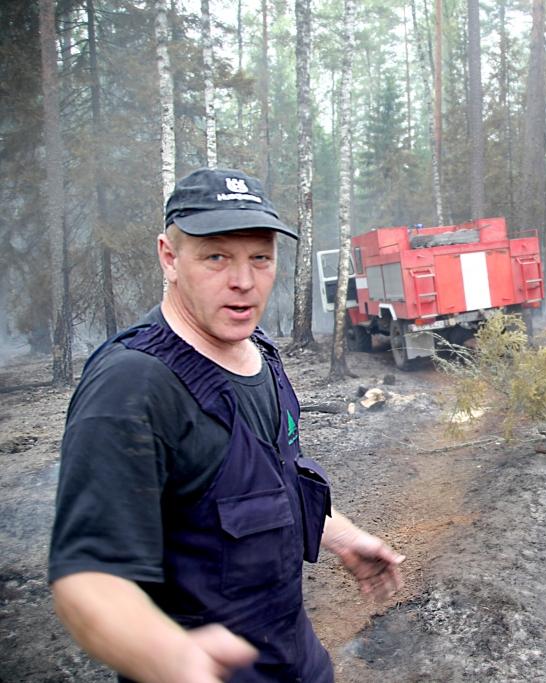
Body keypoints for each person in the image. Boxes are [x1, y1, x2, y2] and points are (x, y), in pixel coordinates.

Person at [48, 168, 405, 683]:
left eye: (260, 258)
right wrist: (169, 656)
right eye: (216, 257)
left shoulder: (259, 353)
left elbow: (270, 480)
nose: (243, 280)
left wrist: (341, 534)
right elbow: (86, 580)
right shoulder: (132, 386)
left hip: (296, 662)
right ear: (170, 258)